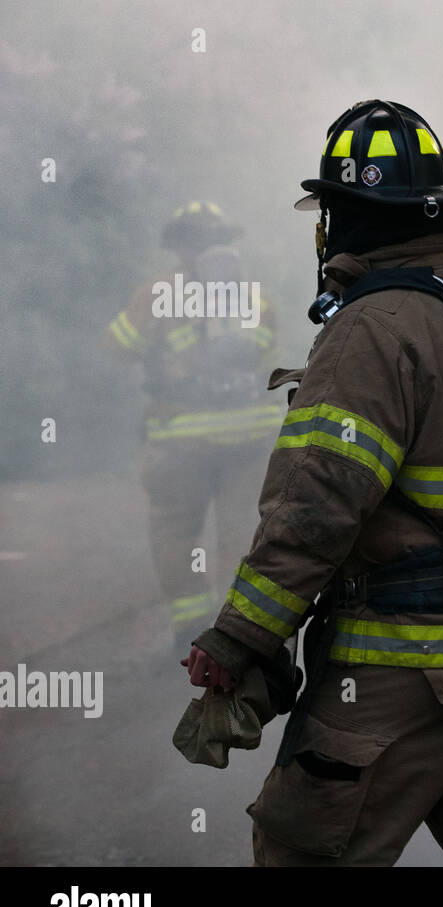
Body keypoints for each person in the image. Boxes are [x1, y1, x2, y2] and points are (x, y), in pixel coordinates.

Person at [179, 100, 443, 866]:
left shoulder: (372, 329)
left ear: (342, 217)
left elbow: (315, 505)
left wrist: (239, 635)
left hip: (401, 673)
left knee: (301, 851)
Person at [107, 202, 281, 651]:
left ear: (179, 244)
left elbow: (119, 346)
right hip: (249, 434)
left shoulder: (157, 293)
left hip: (181, 437)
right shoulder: (253, 297)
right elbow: (267, 354)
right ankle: (238, 630)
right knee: (241, 530)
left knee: (175, 529)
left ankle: (189, 628)